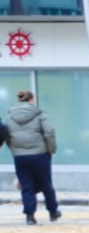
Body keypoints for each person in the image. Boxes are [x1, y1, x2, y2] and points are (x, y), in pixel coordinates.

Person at [7, 89, 60, 225]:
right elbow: (49, 132)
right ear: (31, 100)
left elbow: (6, 135)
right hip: (40, 155)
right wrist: (51, 149)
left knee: (26, 186)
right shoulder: (40, 113)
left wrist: (15, 150)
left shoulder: (10, 115)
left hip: (20, 157)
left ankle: (30, 216)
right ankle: (53, 212)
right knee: (46, 184)